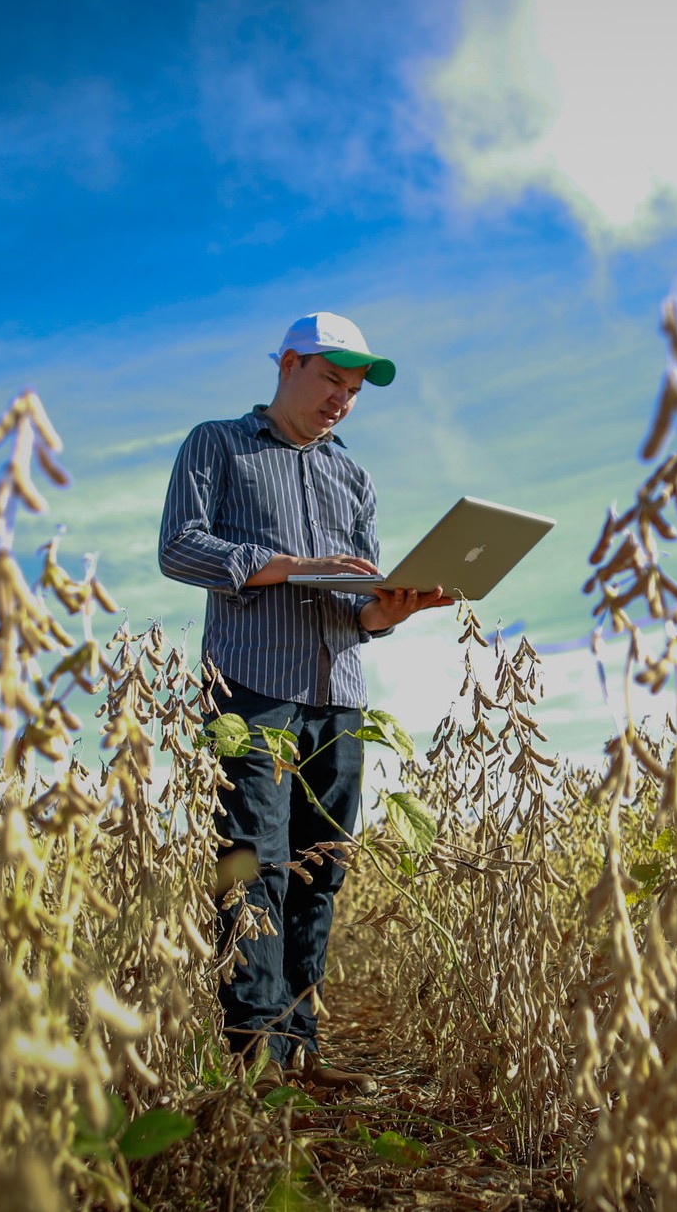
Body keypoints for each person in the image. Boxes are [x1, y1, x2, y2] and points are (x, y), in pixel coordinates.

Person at [157, 311, 452, 1092]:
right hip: (250, 688)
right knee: (254, 865)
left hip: (340, 694)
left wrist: (390, 611)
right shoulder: (215, 444)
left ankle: (301, 1043)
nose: (342, 401)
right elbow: (179, 546)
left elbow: (358, 605)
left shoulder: (355, 477)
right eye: (331, 381)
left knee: (321, 870)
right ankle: (255, 1058)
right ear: (288, 363)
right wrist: (285, 564)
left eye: (354, 391)